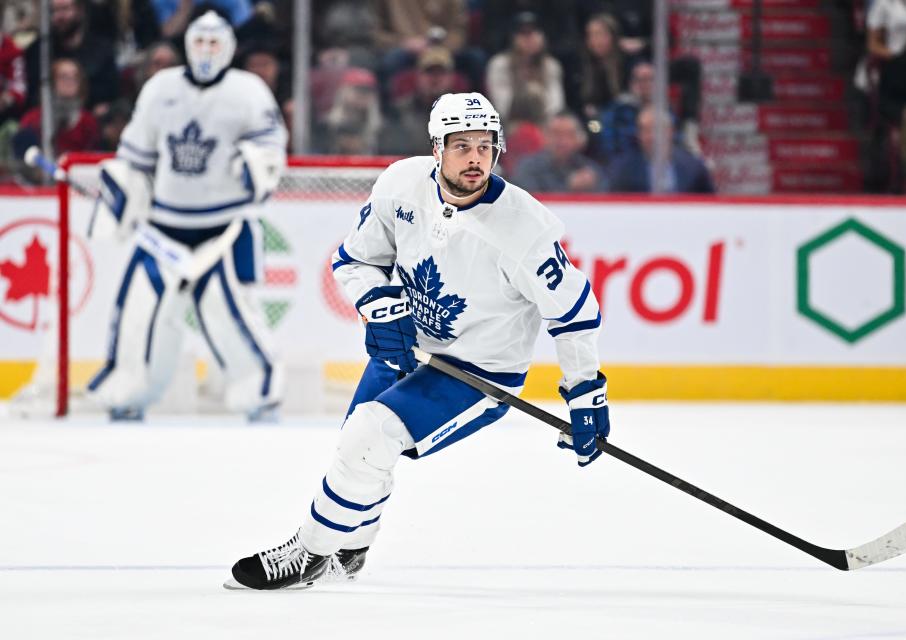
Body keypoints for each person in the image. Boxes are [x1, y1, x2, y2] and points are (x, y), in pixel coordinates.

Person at [225, 92, 610, 590]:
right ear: (436, 148)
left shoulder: (524, 229)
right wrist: (379, 303)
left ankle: (310, 553)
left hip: (478, 373)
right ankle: (352, 546)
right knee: (358, 445)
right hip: (410, 348)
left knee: (370, 436)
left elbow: (575, 312)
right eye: (461, 145)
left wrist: (586, 393)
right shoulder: (400, 185)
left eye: (485, 146)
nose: (475, 158)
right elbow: (354, 261)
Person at [84, 11, 287, 421]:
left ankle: (259, 395)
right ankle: (128, 393)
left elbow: (271, 146)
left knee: (230, 314)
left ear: (228, 47)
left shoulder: (248, 91)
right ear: (187, 46)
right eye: (199, 43)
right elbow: (136, 154)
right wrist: (123, 190)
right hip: (164, 227)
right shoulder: (160, 89)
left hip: (225, 227)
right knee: (141, 313)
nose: (206, 52)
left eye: (214, 44)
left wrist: (255, 165)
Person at [609, 106, 714, 193]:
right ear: (638, 135)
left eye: (657, 129)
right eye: (645, 130)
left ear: (670, 132)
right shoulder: (623, 170)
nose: (651, 137)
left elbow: (708, 205)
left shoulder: (693, 168)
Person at [484, 11, 565, 123]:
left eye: (534, 32)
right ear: (513, 38)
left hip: (545, 124)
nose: (530, 38)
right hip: (510, 125)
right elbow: (503, 106)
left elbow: (556, 106)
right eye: (523, 33)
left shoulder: (551, 65)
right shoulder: (499, 64)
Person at [511, 111, 607, 192]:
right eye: (556, 134)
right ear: (544, 136)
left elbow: (607, 194)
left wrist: (592, 186)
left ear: (580, 139)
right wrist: (568, 188)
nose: (563, 141)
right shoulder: (528, 167)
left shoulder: (588, 168)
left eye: (569, 135)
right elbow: (529, 201)